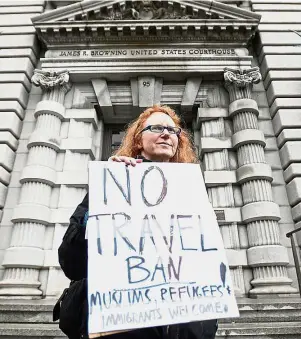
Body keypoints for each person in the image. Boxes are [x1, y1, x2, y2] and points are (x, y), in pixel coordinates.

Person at [57, 105, 218, 339]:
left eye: (173, 131)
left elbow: (206, 263)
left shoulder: (190, 192)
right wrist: (105, 195)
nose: (166, 134)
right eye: (156, 128)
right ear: (138, 140)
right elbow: (71, 262)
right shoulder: (112, 184)